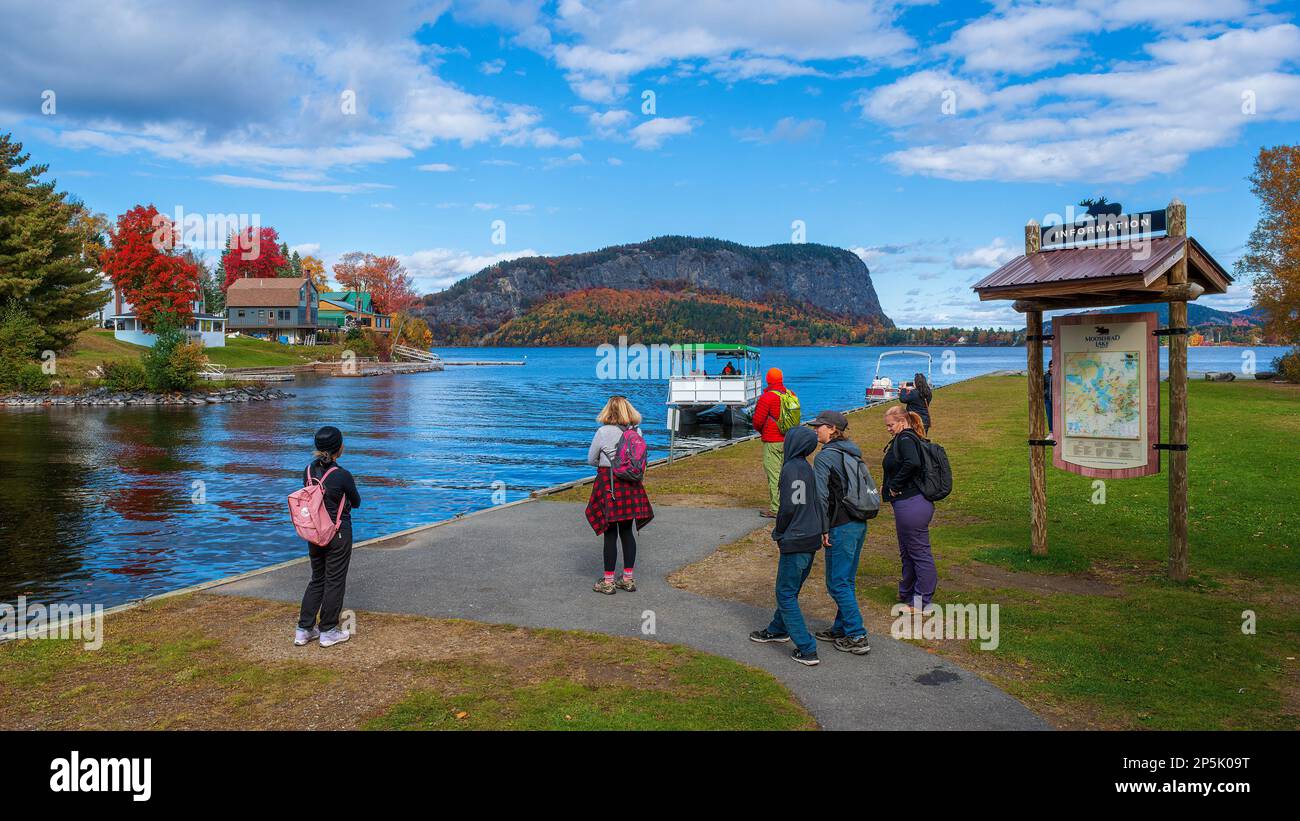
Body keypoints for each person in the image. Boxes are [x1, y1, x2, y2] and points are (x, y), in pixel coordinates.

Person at [749, 425, 826, 666]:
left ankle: (806, 647)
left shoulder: (791, 469)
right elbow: (812, 502)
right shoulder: (807, 468)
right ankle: (777, 629)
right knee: (791, 590)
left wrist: (780, 531)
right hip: (810, 536)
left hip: (796, 538)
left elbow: (790, 507)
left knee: (785, 593)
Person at [807, 410, 871, 655]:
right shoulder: (851, 452)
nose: (815, 430)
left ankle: (857, 635)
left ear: (832, 429)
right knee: (847, 579)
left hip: (840, 524)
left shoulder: (825, 458)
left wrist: (822, 527)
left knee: (837, 583)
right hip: (858, 521)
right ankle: (841, 627)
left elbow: (821, 496)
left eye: (819, 426)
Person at [296, 425, 361, 648]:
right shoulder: (342, 475)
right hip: (338, 532)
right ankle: (328, 631)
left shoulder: (307, 471)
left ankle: (304, 629)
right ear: (339, 448)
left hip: (314, 531)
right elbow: (357, 501)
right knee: (334, 580)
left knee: (317, 578)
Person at [586, 396, 654, 594]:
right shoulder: (636, 431)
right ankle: (628, 579)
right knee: (627, 532)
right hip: (631, 485)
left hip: (610, 484)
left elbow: (591, 460)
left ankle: (608, 582)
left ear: (608, 411)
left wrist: (606, 458)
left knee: (610, 533)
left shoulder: (602, 431)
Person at [882, 405, 936, 613]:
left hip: (912, 503)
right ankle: (908, 591)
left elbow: (912, 463)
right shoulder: (905, 438)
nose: (888, 428)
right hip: (909, 503)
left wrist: (895, 486)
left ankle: (922, 600)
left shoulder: (905, 438)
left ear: (902, 422)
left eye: (890, 425)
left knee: (919, 551)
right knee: (908, 551)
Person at [752, 367, 795, 519]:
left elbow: (757, 420)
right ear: (781, 379)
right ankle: (791, 505)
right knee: (788, 474)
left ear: (768, 380)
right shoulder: (791, 394)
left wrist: (763, 432)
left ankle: (776, 509)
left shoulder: (767, 397)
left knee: (774, 474)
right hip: (789, 440)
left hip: (772, 441)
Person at [1044, 359, 1054, 438]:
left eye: (1053, 366)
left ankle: (1058, 432)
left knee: (1057, 416)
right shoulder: (1046, 376)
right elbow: (1043, 387)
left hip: (1056, 401)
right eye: (1050, 366)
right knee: (1049, 416)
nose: (1052, 368)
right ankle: (1051, 433)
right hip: (1048, 400)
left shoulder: (1058, 376)